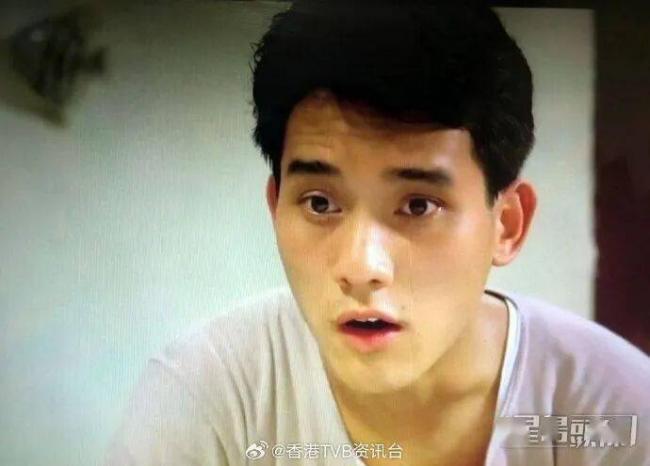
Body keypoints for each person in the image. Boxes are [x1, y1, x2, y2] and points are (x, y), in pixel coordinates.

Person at [105, 1, 650, 465]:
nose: (361, 266)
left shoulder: (620, 412)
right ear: (276, 208)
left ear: (506, 224)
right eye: (320, 203)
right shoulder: (207, 397)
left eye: (418, 205)